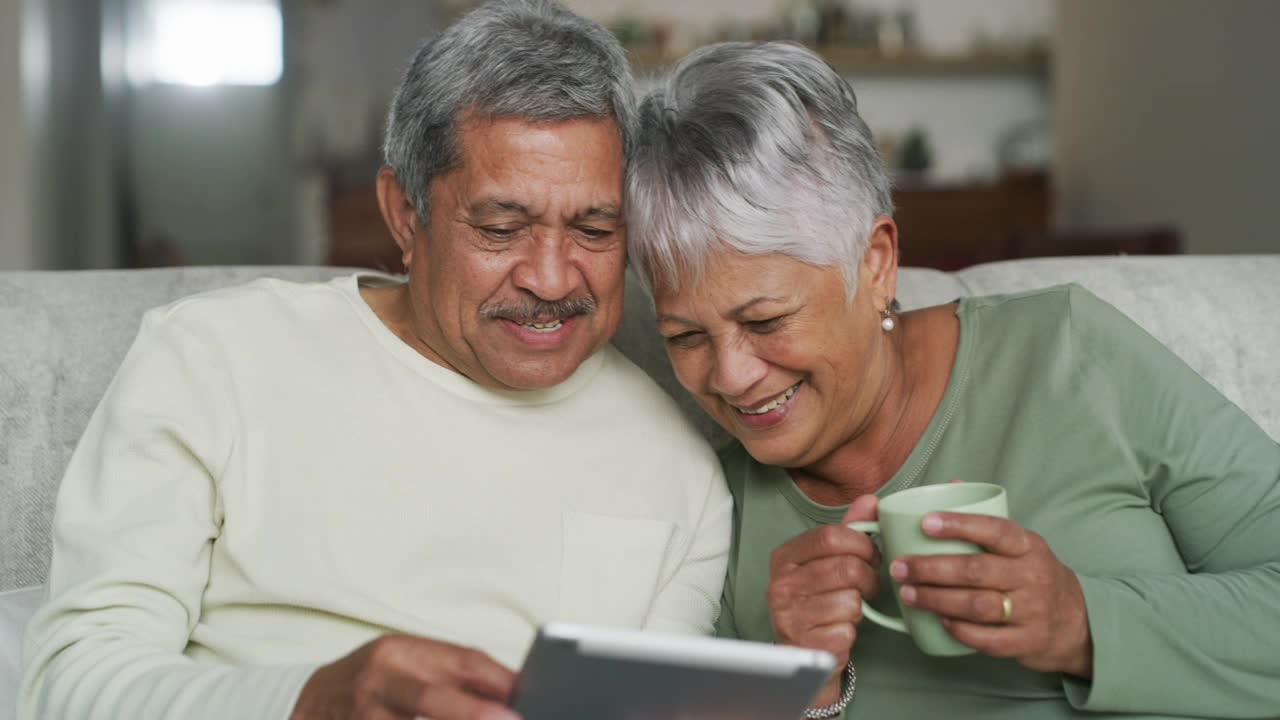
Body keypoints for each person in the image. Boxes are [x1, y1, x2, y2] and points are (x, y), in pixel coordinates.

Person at [19, 3, 731, 719]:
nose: (550, 278)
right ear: (403, 213)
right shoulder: (212, 360)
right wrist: (308, 702)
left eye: (594, 229)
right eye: (500, 228)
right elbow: (71, 684)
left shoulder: (683, 476)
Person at [624, 41, 1280, 719]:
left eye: (765, 320)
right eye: (686, 336)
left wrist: (1082, 623)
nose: (731, 376)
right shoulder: (712, 507)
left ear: (876, 265)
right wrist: (801, 691)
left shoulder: (1070, 353)